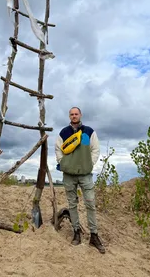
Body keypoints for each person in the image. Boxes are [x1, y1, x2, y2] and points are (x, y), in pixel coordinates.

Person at [55, 107, 105, 254]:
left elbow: (95, 149)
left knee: (90, 203)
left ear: (80, 115)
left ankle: (94, 236)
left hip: (85, 174)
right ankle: (76, 232)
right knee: (72, 204)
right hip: (69, 174)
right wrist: (63, 163)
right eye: (72, 114)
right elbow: (58, 149)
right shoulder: (63, 133)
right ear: (69, 116)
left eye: (76, 114)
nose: (74, 116)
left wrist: (90, 163)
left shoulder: (89, 131)